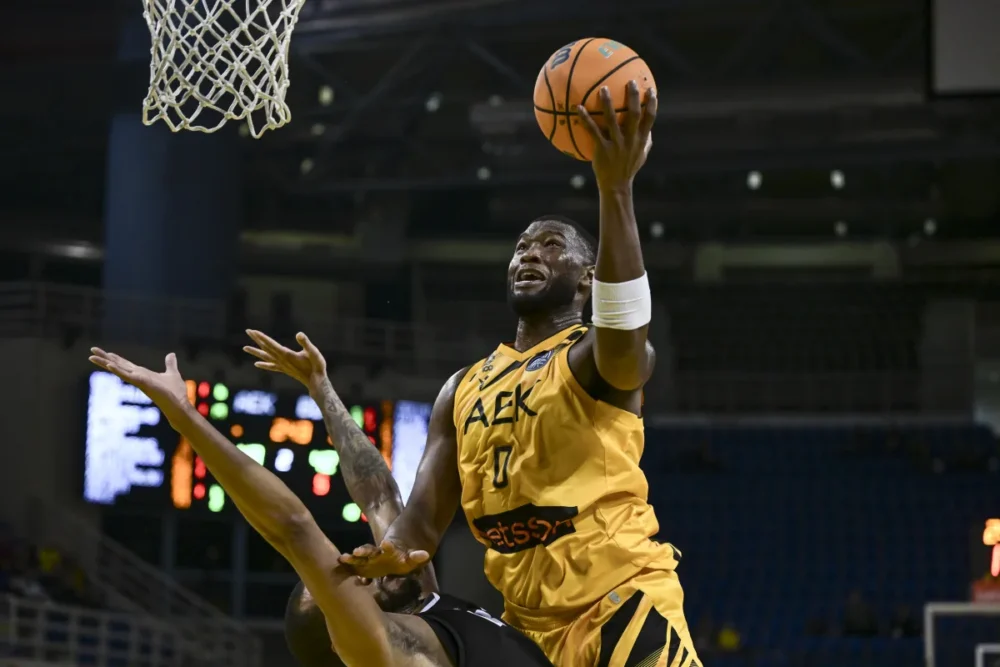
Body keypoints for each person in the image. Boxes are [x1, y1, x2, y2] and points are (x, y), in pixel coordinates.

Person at [340, 82, 701, 667]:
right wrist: (388, 559)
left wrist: (616, 188)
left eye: (551, 245)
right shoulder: (461, 387)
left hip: (619, 602)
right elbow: (424, 521)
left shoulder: (592, 358)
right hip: (525, 627)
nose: (529, 254)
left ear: (588, 280)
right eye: (520, 246)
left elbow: (626, 330)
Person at [88, 335, 552, 667]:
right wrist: (186, 417)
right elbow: (293, 527)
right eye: (347, 587)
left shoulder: (419, 601)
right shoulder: (388, 653)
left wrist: (321, 389)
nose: (360, 574)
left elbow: (378, 494)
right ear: (341, 634)